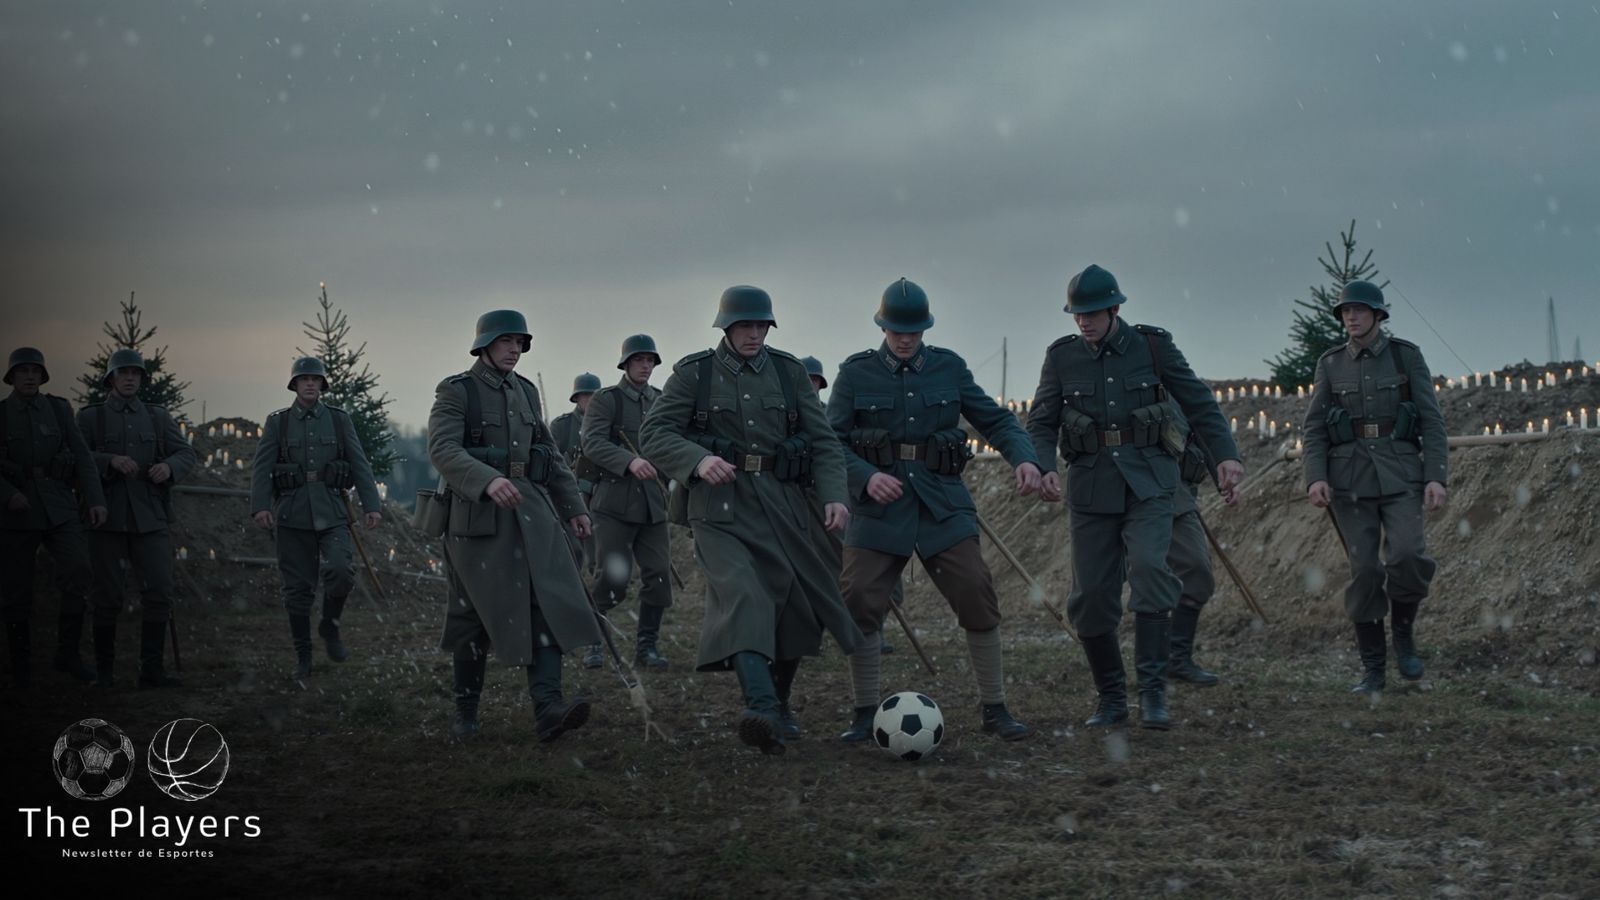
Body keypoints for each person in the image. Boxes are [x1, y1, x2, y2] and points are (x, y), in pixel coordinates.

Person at [640, 286, 863, 754]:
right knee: (745, 595)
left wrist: (834, 497)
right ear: (726, 327)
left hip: (782, 505)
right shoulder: (695, 374)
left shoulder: (788, 372)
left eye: (762, 326)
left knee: (796, 607)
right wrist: (697, 460)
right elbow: (654, 433)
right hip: (718, 508)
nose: (755, 334)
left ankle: (779, 706)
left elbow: (823, 442)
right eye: (746, 326)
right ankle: (760, 706)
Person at [1026, 264, 1241, 729]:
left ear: (1114, 309)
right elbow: (1041, 421)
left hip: (1151, 482)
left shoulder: (1152, 346)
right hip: (1091, 489)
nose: (1083, 322)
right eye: (1077, 314)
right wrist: (1043, 466)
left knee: (1149, 572)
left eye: (1092, 313)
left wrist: (1226, 456)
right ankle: (1111, 699)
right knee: (1091, 597)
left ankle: (1153, 695)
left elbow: (1199, 403)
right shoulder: (1062, 357)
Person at [829, 278, 1042, 743]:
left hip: (941, 501)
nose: (905, 339)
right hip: (878, 507)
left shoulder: (949, 368)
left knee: (976, 589)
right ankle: (864, 713)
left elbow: (997, 420)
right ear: (882, 327)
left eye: (914, 331)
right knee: (859, 597)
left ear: (925, 329)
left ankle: (995, 708)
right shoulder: (856, 373)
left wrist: (1024, 459)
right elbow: (831, 441)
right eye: (897, 331)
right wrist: (865, 476)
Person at [427, 310, 600, 740]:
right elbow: (443, 449)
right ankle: (465, 712)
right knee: (472, 617)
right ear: (484, 344)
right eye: (506, 341)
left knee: (545, 603)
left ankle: (548, 708)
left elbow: (548, 452)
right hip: (477, 521)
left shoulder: (524, 390)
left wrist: (574, 505)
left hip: (531, 513)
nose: (514, 349)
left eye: (520, 342)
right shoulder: (457, 391)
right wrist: (486, 480)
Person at [1301, 280, 1447, 693]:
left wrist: (1436, 476)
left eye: (1360, 310)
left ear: (1378, 315)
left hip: (1401, 474)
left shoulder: (1405, 356)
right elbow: (1314, 427)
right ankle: (1373, 668)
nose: (1351, 317)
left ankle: (1403, 635)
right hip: (1350, 480)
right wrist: (1315, 477)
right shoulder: (1330, 364)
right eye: (1346, 311)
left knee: (1407, 556)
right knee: (1365, 571)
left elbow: (1432, 420)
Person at [249, 356, 382, 680]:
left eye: (315, 379)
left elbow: (359, 463)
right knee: (297, 590)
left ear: (323, 384)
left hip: (332, 511)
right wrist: (260, 506)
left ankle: (329, 625)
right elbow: (262, 468)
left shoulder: (338, 420)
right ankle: (303, 656)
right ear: (294, 384)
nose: (310, 384)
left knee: (341, 570)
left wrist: (372, 505)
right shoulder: (278, 423)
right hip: (292, 513)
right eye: (304, 379)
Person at [77, 348, 196, 687]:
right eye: (123, 373)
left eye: (135, 373)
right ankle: (105, 673)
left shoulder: (157, 417)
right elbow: (75, 457)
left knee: (159, 591)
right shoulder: (91, 417)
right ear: (111, 378)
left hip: (150, 516)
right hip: (106, 516)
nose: (130, 378)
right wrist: (108, 461)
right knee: (106, 596)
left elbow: (185, 453)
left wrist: (168, 467)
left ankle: (151, 670)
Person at [1, 347, 107, 687]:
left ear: (43, 376)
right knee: (16, 588)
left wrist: (96, 500)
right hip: (17, 512)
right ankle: (21, 665)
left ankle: (67, 654)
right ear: (12, 377)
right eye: (23, 371)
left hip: (59, 505)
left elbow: (82, 457)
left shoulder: (59, 410)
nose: (30, 377)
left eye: (35, 371)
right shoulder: (2, 414)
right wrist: (8, 494)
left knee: (78, 569)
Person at [580, 335, 674, 670]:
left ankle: (647, 647)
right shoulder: (607, 400)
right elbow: (592, 443)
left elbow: (673, 441)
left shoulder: (662, 400)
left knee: (659, 575)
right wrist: (629, 461)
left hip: (653, 505)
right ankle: (594, 640)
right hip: (614, 504)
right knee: (612, 579)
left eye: (650, 361)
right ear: (625, 364)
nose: (645, 366)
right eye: (639, 360)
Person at [1163, 406, 1244, 686]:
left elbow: (1200, 427)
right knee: (1107, 589)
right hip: (1118, 495)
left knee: (1197, 572)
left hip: (1175, 496)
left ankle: (1176, 658)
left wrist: (1223, 472)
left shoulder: (1180, 387)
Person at [550, 372, 602, 589]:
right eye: (586, 395)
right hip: (572, 496)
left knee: (599, 555)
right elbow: (553, 461)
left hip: (602, 496)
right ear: (577, 398)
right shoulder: (562, 426)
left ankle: (598, 595)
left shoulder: (606, 425)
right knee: (572, 551)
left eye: (594, 395)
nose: (590, 400)